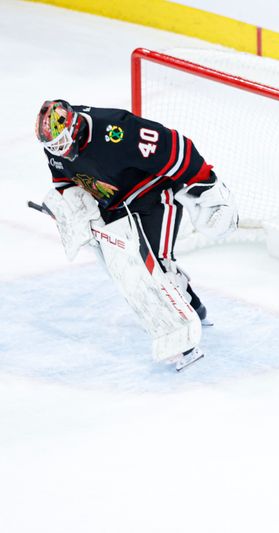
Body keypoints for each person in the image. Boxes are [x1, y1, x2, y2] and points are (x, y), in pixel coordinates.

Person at [35, 99, 238, 371]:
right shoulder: (56, 149)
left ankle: (182, 339)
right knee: (126, 269)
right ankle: (193, 308)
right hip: (115, 206)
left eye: (60, 142)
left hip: (152, 192)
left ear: (74, 128)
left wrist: (206, 182)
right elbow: (64, 182)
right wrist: (74, 207)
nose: (57, 151)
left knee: (153, 265)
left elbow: (174, 146)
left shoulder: (115, 131)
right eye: (52, 146)